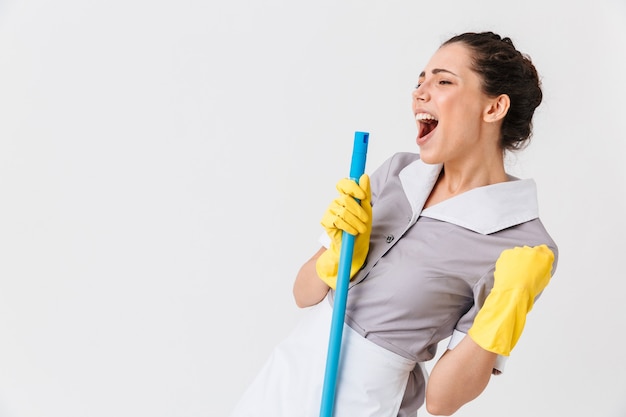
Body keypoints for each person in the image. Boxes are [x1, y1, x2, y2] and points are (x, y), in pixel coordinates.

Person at [230, 31, 558, 417]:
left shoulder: (522, 244)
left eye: (443, 81)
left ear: (493, 108)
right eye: (420, 80)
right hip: (285, 377)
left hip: (365, 400)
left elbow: (442, 401)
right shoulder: (397, 173)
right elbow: (304, 294)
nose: (420, 92)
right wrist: (335, 258)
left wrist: (505, 307)